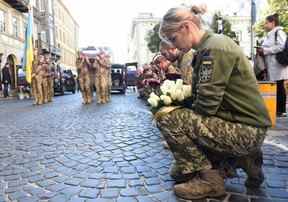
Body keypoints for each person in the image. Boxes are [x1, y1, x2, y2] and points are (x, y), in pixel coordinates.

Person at [156, 6, 272, 200]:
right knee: (179, 172)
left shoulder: (213, 48)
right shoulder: (207, 48)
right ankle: (245, 160)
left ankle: (211, 181)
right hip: (241, 124)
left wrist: (181, 127)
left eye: (173, 38)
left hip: (245, 130)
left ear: (186, 27)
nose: (174, 46)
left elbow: (207, 106)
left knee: (167, 117)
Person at [258, 13, 288, 117]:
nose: (265, 25)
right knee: (276, 87)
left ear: (273, 23)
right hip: (272, 65)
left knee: (279, 86)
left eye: (266, 23)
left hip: (278, 65)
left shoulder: (279, 32)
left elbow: (282, 46)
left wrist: (265, 50)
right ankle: (276, 109)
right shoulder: (270, 34)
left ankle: (281, 110)